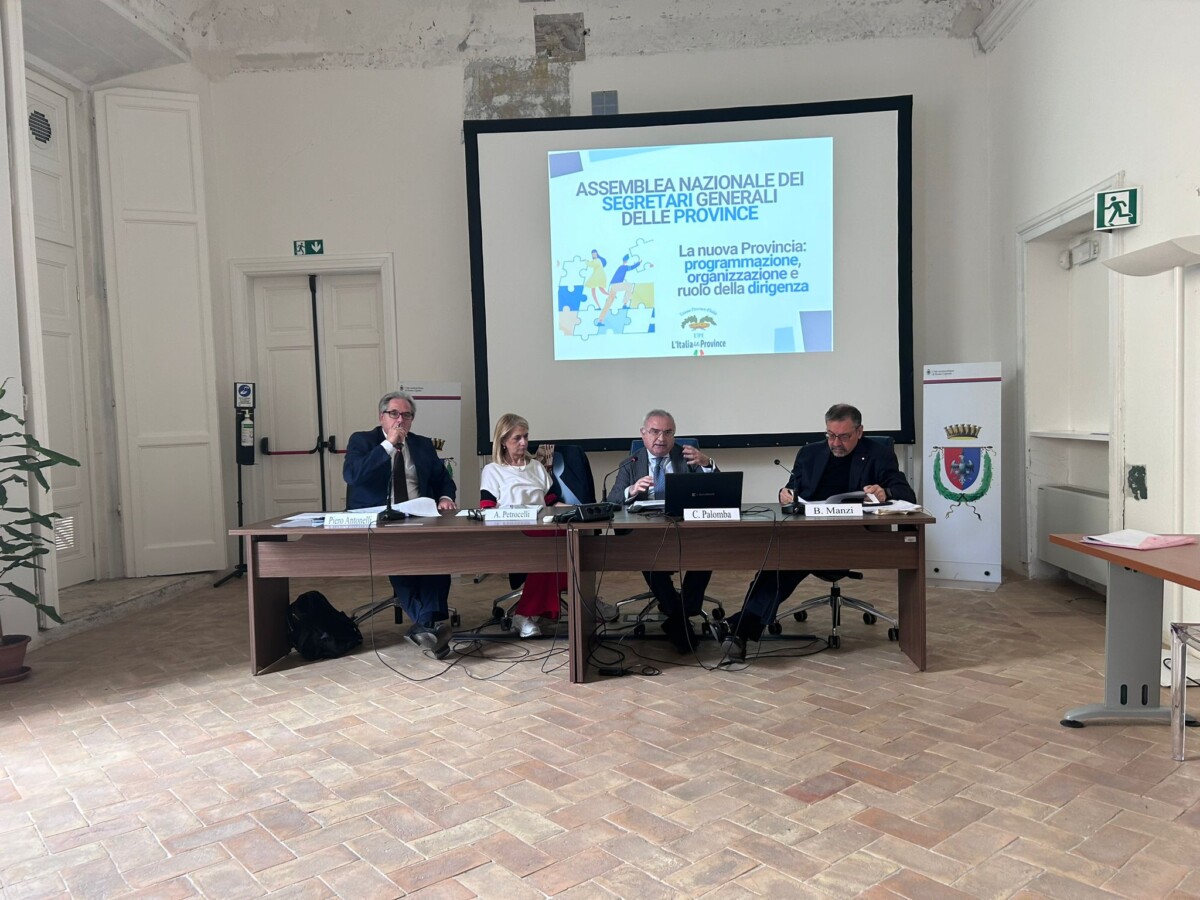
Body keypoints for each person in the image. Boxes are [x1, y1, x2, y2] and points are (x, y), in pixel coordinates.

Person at [720, 403, 916, 661]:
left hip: (855, 538)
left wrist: (885, 492)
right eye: (830, 435)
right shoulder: (809, 453)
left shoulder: (879, 454)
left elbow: (907, 494)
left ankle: (737, 627)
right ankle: (739, 630)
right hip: (810, 534)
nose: (835, 443)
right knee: (779, 561)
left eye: (843, 437)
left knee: (786, 562)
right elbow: (792, 490)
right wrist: (785, 494)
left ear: (859, 432)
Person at [343, 391, 458, 657]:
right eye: (394, 414)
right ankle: (431, 625)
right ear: (381, 417)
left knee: (437, 558)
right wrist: (387, 446)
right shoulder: (362, 440)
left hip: (419, 516)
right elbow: (353, 475)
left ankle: (427, 627)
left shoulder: (422, 444)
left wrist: (445, 497)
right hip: (378, 519)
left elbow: (443, 479)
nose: (400, 420)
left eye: (406, 415)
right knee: (401, 558)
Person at [607, 408, 717, 653]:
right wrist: (631, 490)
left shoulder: (687, 457)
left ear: (674, 435)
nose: (661, 438)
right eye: (655, 432)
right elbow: (612, 501)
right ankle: (681, 617)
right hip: (646, 532)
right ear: (643, 434)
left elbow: (717, 490)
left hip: (684, 528)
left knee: (707, 549)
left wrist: (707, 464)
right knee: (647, 554)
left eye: (668, 432)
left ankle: (678, 615)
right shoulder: (631, 463)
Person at [480, 414, 567, 638]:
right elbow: (487, 508)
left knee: (571, 539)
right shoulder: (493, 470)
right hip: (513, 532)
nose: (524, 443)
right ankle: (526, 613)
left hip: (543, 527)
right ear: (503, 441)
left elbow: (551, 502)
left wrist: (576, 510)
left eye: (526, 437)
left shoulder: (536, 467)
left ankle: (528, 614)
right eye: (517, 438)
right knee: (554, 549)